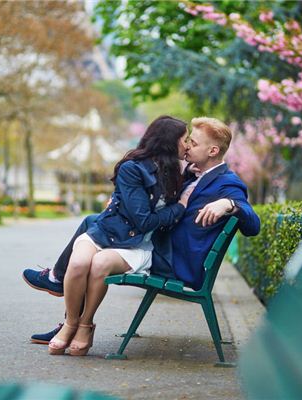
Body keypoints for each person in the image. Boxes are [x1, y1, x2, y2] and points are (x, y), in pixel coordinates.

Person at [24, 116, 261, 345]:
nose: (187, 146)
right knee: (95, 224)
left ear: (213, 151)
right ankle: (67, 309)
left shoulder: (227, 184)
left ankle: (65, 300)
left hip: (172, 259)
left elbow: (253, 224)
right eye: (187, 140)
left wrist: (230, 204)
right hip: (160, 244)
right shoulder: (189, 173)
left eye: (194, 142)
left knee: (96, 237)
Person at [44, 115, 189, 356]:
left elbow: (144, 225)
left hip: (138, 245)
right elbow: (144, 220)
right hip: (108, 232)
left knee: (100, 264)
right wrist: (179, 207)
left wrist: (225, 203)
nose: (188, 144)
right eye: (185, 139)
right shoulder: (133, 168)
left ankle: (85, 324)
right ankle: (70, 323)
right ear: (168, 141)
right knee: (79, 263)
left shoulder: (178, 171)